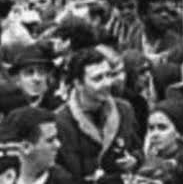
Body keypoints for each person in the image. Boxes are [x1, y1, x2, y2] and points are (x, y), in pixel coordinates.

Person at [52, 47, 140, 183]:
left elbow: (137, 148)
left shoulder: (124, 110)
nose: (107, 83)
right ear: (79, 84)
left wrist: (134, 160)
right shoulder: (61, 121)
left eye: (108, 75)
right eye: (98, 78)